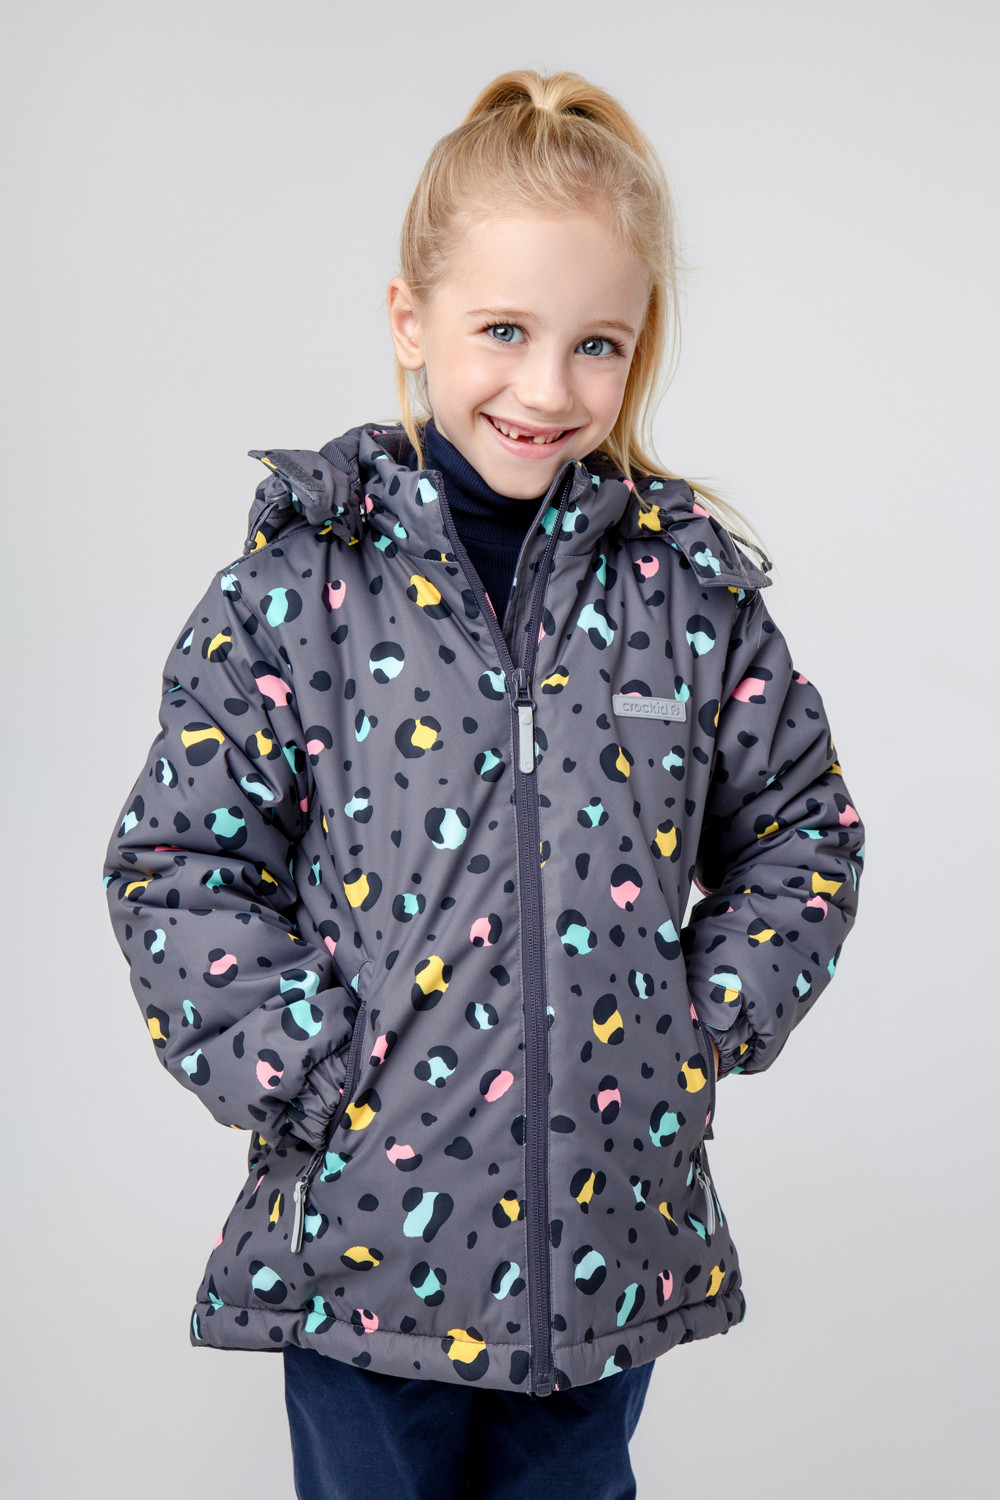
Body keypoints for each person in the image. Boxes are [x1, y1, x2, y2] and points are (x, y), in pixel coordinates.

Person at [103, 68, 865, 1500]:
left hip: (607, 1250)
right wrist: (310, 1071)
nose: (546, 387)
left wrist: (691, 1027)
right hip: (365, 1244)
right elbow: (180, 862)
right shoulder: (296, 596)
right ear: (412, 319)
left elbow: (802, 833)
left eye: (596, 344)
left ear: (637, 349)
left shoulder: (689, 601)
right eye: (503, 330)